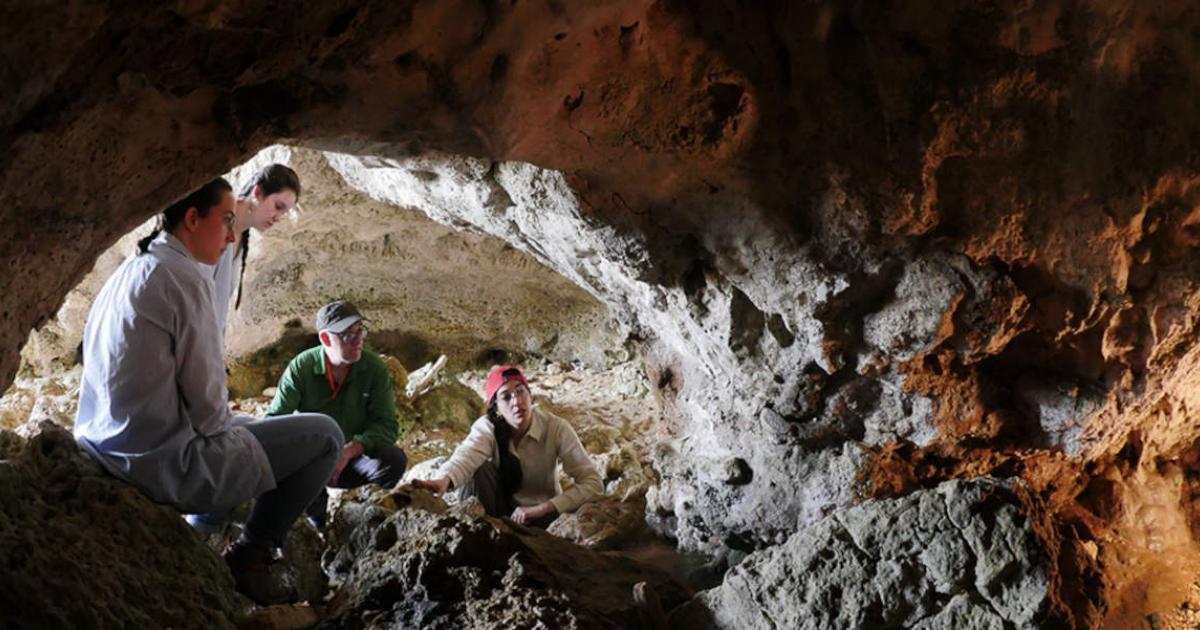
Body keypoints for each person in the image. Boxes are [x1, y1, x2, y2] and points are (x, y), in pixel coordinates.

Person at [73, 178, 344, 606]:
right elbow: (208, 410)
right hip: (157, 461)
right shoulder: (182, 278)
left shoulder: (132, 267)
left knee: (259, 430)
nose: (233, 237)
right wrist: (242, 435)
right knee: (325, 436)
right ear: (193, 218)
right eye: (226, 222)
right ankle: (253, 551)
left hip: (103, 441)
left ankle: (206, 531)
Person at [266, 300, 408, 529]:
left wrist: (351, 450)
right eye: (347, 335)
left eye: (360, 331)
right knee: (287, 462)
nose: (358, 340)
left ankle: (368, 511)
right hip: (313, 461)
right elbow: (273, 421)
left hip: (353, 460)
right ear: (325, 339)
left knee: (393, 459)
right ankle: (317, 517)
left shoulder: (373, 369)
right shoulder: (302, 367)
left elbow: (387, 425)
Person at [413, 365, 603, 528]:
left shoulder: (556, 428)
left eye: (520, 391)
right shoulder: (488, 426)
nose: (517, 402)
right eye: (506, 397)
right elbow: (467, 455)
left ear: (531, 396)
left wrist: (546, 507)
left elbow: (593, 483)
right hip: (501, 511)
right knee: (477, 469)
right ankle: (478, 535)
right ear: (496, 408)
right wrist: (443, 480)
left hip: (543, 516)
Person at [210, 163, 301, 338]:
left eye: (285, 212)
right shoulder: (215, 226)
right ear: (257, 193)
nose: (278, 218)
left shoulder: (241, 239)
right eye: (278, 206)